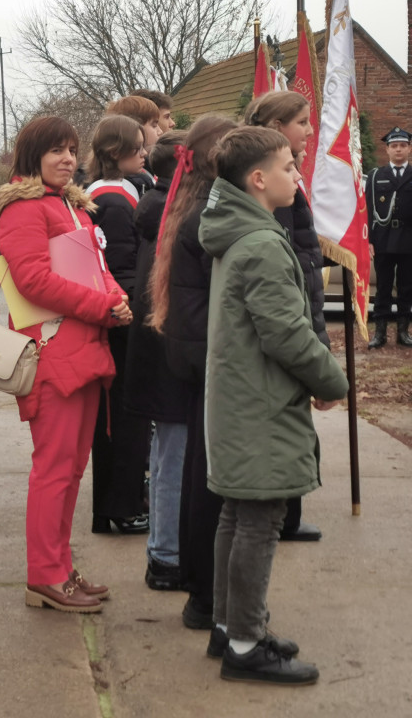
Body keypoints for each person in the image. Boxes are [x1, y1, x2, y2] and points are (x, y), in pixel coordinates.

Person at [199, 126, 348, 684]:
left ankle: (231, 626)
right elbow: (286, 332)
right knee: (258, 520)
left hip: (243, 397)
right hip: (258, 403)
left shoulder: (245, 231)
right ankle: (243, 645)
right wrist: (331, 381)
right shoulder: (259, 242)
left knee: (238, 515)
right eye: (288, 166)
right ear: (258, 180)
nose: (297, 174)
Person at [0, 115, 130, 613]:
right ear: (33, 156)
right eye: (56, 151)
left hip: (85, 351)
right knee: (54, 469)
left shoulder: (71, 205)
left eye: (72, 150)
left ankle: (60, 567)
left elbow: (98, 268)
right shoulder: (24, 209)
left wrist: (116, 297)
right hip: (53, 355)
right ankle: (45, 575)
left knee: (71, 469)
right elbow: (33, 281)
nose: (68, 159)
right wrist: (100, 307)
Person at [147, 115, 238, 630]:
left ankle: (194, 581)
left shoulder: (196, 210)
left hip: (200, 362)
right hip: (212, 366)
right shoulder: (208, 218)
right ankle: (201, 589)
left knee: (194, 474)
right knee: (205, 483)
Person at [244, 92, 330, 542]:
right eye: (301, 122)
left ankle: (288, 514)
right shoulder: (273, 186)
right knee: (284, 426)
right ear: (277, 126)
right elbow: (290, 265)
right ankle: (282, 517)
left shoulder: (288, 178)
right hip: (288, 318)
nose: (310, 130)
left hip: (302, 310)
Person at [122, 130, 188, 589]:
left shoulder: (156, 208)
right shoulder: (174, 215)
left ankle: (165, 550)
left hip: (159, 349)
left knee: (167, 455)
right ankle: (167, 556)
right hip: (171, 351)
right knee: (174, 458)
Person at [84, 114, 151, 535]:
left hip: (121, 317)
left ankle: (116, 505)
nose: (145, 151)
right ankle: (120, 507)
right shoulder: (110, 199)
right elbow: (118, 268)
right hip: (121, 321)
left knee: (122, 417)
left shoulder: (120, 191)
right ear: (115, 152)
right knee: (121, 418)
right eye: (137, 145)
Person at [367, 126, 412, 348]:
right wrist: (368, 241)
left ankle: (403, 332)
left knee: (406, 287)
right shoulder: (376, 176)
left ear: (409, 149)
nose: (398, 150)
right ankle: (380, 333)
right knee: (382, 287)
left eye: (403, 146)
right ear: (387, 150)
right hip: (383, 239)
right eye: (394, 146)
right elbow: (367, 210)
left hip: (408, 240)